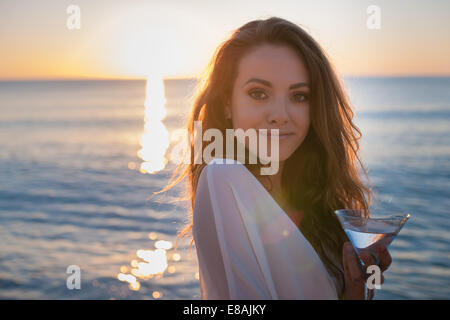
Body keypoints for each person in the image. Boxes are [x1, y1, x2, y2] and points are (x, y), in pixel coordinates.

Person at [162, 17, 392, 299]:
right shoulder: (222, 177)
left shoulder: (325, 213)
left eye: (299, 96)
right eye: (258, 93)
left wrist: (360, 288)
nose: (280, 115)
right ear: (227, 104)